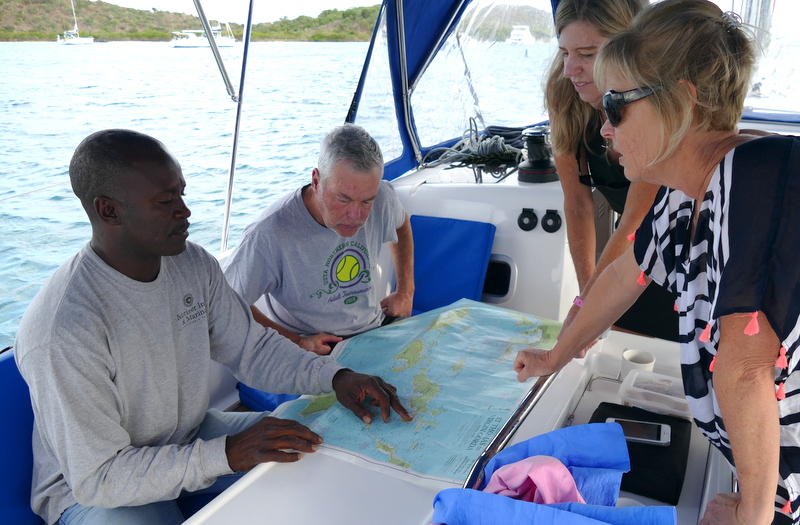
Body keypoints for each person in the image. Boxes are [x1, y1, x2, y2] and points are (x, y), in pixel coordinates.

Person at [13, 129, 412, 525]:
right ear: (109, 211)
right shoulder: (63, 329)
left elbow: (253, 349)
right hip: (97, 488)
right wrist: (225, 454)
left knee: (319, 443)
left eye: (182, 193)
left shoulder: (191, 264)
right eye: (166, 201)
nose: (184, 211)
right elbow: (99, 477)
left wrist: (336, 376)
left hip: (185, 434)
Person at [515, 1, 800, 524]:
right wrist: (559, 355)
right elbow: (627, 273)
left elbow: (748, 364)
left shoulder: (763, 172)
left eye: (617, 107)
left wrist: (754, 512)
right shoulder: (681, 193)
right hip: (763, 460)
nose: (604, 128)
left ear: (681, 102)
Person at [544, 0, 679, 342]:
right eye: (564, 53)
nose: (568, 69)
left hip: (680, 246)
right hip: (629, 250)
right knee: (617, 344)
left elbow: (636, 216)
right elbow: (576, 204)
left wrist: (588, 306)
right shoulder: (564, 93)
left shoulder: (655, 102)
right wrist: (584, 294)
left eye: (587, 54)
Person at [223, 124, 414, 355]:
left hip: (373, 331)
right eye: (343, 199)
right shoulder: (269, 233)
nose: (356, 216)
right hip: (312, 348)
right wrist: (296, 342)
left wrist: (406, 291)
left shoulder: (382, 198)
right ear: (316, 181)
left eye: (366, 202)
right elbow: (226, 302)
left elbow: (401, 223)